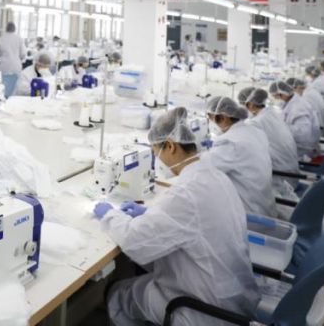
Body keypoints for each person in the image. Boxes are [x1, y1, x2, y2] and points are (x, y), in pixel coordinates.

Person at [94, 108, 259, 326]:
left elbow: (134, 240)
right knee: (146, 271)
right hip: (233, 295)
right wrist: (151, 214)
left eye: (155, 152)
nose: (156, 160)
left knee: (118, 293)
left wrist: (109, 215)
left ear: (170, 146)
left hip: (202, 308)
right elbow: (193, 220)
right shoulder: (215, 176)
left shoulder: (186, 193)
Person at [202, 96, 276, 217]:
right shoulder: (254, 131)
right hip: (265, 204)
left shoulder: (230, 143)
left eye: (210, 118)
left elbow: (202, 169)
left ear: (223, 118)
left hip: (250, 215)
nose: (210, 123)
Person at [238, 87, 299, 199]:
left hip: (281, 178)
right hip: (291, 170)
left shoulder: (256, 123)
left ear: (250, 104)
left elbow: (247, 153)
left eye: (243, 105)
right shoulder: (272, 113)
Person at [271, 80, 320, 158]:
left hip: (303, 149)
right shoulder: (290, 101)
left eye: (276, 97)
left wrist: (280, 129)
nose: (277, 99)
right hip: (297, 144)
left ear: (282, 94)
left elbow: (303, 133)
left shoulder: (298, 107)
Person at [0, 22, 24, 98]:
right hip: (16, 65)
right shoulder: (19, 39)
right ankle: (13, 101)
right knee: (15, 86)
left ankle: (4, 99)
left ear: (6, 29)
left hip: (5, 65)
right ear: (15, 29)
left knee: (4, 86)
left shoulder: (1, 39)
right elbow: (23, 54)